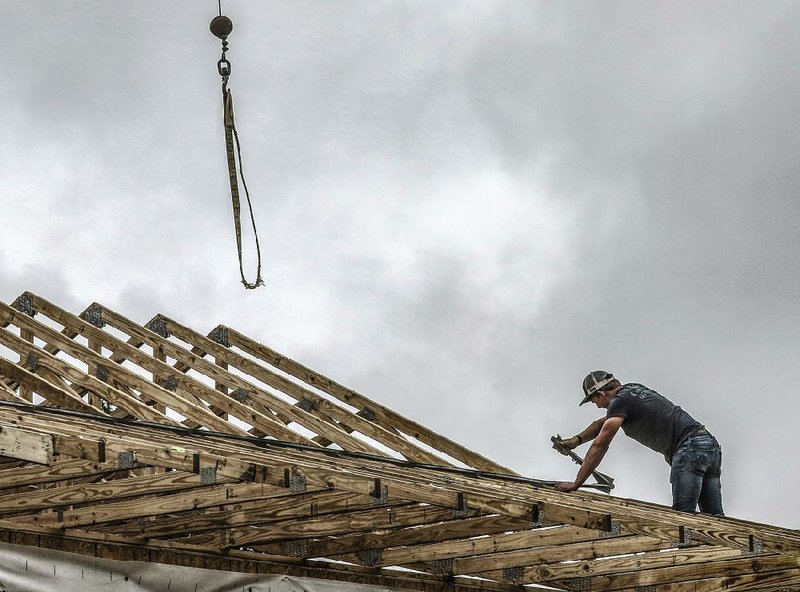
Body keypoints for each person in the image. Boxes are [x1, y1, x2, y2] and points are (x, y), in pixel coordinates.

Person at [553, 370, 723, 515]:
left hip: (689, 450)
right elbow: (601, 424)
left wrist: (576, 484)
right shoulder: (632, 391)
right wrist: (577, 440)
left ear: (601, 394)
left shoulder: (620, 401)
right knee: (714, 519)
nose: (597, 406)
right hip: (709, 446)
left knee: (683, 521)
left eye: (594, 401)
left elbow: (600, 445)